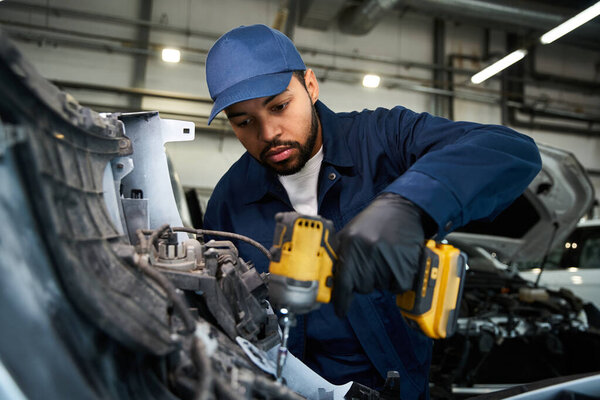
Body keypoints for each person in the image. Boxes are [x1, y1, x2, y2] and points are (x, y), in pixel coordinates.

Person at [202, 24, 541, 399]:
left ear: (310, 86)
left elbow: (510, 149)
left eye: (279, 106)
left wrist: (410, 205)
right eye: (244, 121)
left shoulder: (384, 138)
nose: (268, 133)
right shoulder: (227, 204)